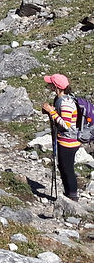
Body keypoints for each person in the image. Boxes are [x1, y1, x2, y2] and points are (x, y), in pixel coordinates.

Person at [42, 73, 80, 201]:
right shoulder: (62, 99)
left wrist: (51, 112)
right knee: (63, 166)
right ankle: (68, 194)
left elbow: (67, 125)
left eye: (50, 84)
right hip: (64, 139)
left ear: (56, 86)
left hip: (69, 141)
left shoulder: (66, 103)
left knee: (67, 168)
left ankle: (72, 196)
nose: (48, 85)